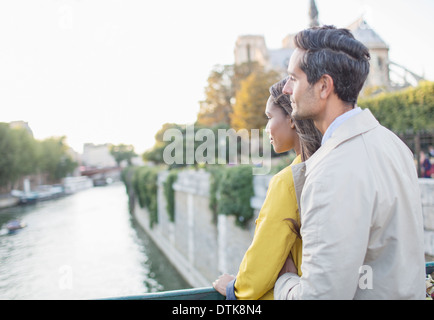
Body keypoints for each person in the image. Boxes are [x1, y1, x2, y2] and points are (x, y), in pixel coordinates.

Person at [275, 25, 426, 299]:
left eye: (293, 78)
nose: (285, 89)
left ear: (323, 86)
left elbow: (320, 296)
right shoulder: (395, 146)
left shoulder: (332, 171)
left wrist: (285, 281)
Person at [212, 78, 322, 300]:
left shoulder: (287, 181)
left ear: (291, 119)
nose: (266, 128)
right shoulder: (325, 166)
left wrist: (234, 289)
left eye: (270, 118)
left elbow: (261, 263)